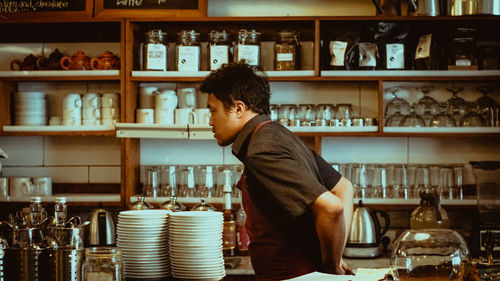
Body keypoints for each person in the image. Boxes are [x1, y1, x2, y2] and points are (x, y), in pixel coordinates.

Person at [200, 62, 354, 280]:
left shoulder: (262, 151)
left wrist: (331, 267)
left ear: (238, 108)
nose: (210, 121)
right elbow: (344, 188)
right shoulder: (277, 133)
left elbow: (332, 207)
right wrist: (336, 258)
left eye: (213, 110)